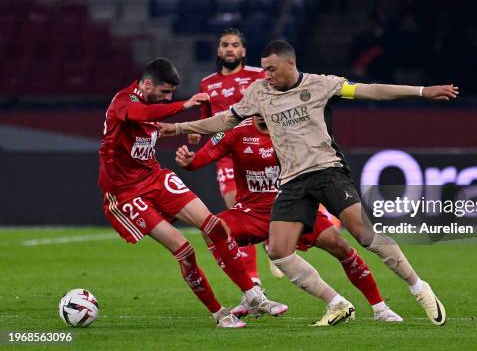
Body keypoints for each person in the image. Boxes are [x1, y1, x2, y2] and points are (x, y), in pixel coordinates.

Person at [159, 40, 459, 326]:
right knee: (278, 251)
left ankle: (419, 287)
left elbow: (371, 90)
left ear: (291, 63)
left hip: (327, 171)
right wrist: (177, 128)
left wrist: (421, 91)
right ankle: (338, 303)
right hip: (292, 181)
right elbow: (224, 120)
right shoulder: (259, 92)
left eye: (272, 69)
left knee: (364, 235)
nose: (267, 75)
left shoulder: (321, 84)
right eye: (263, 69)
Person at [98, 58, 287, 328]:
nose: (168, 98)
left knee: (215, 227)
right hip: (126, 193)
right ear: (147, 84)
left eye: (172, 94)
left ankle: (253, 296)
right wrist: (183, 106)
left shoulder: (151, 107)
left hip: (154, 177)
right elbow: (139, 115)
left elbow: (148, 129)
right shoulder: (124, 101)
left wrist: (186, 131)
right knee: (184, 250)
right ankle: (220, 314)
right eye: (165, 93)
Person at [175, 116, 403, 325]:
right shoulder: (236, 133)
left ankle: (380, 308)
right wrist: (189, 160)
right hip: (251, 212)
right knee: (214, 229)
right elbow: (200, 159)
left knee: (340, 246)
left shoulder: (294, 131)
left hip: (294, 207)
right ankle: (253, 294)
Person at [189, 28, 282, 283]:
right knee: (238, 211)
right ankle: (253, 278)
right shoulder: (207, 83)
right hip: (228, 154)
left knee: (269, 208)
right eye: (225, 45)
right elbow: (207, 118)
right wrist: (197, 133)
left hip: (258, 150)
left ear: (243, 50)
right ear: (218, 51)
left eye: (235, 45)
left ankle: (274, 245)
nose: (230, 49)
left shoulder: (258, 76)